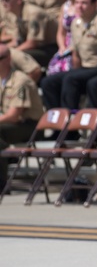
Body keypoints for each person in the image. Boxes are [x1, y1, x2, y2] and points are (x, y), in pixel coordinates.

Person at [39, 0, 97, 109]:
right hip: (84, 68)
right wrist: (75, 71)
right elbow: (76, 55)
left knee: (70, 79)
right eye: (77, 2)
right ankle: (57, 121)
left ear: (94, 5)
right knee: (48, 82)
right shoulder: (76, 23)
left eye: (84, 3)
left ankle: (70, 121)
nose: (79, 6)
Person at [0, 43, 43, 190]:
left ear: (8, 59)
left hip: (29, 126)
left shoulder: (20, 80)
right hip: (9, 124)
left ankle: (1, 184)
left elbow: (13, 116)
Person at [1, 0, 57, 66]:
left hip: (51, 49)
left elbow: (32, 43)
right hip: (37, 48)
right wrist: (4, 49)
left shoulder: (34, 14)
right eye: (2, 0)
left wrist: (11, 52)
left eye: (7, 0)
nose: (3, 4)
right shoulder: (17, 14)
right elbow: (17, 40)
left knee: (15, 57)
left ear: (18, 0)